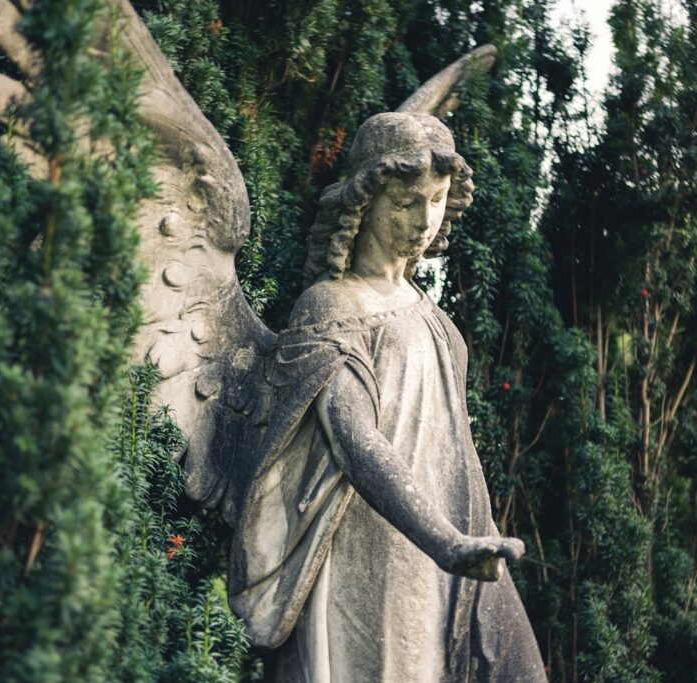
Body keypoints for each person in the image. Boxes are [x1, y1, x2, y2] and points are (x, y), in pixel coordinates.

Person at [228, 112, 546, 682]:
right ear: (363, 202)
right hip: (365, 556)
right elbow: (357, 443)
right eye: (405, 202)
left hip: (440, 555)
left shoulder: (435, 320)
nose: (425, 220)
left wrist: (462, 545)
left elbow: (457, 461)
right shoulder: (331, 308)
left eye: (438, 199)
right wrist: (444, 541)